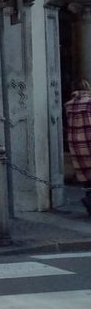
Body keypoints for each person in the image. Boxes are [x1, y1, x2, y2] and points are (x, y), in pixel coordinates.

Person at [64, 79, 91, 216]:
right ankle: (89, 201)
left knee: (86, 178)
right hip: (89, 140)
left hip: (76, 145)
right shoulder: (89, 102)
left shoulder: (68, 105)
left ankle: (89, 200)